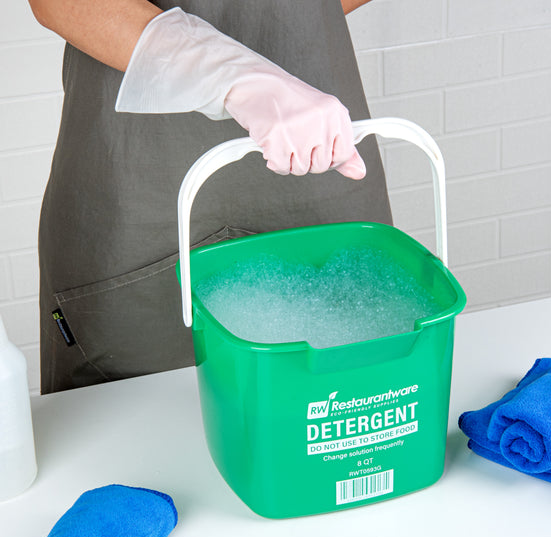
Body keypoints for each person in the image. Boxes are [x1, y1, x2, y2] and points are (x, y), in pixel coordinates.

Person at [28, 0, 393, 394]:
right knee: (132, 416)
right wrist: (231, 72)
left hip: (315, 156)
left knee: (348, 401)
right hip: (142, 187)